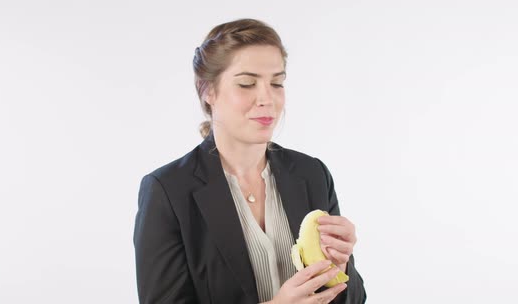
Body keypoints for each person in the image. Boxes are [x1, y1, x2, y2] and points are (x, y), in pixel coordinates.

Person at [133, 18, 366, 304]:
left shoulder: (312, 173)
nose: (267, 98)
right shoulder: (167, 190)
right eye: (246, 84)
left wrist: (338, 268)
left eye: (277, 83)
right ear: (208, 91)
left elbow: (354, 299)